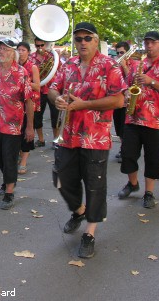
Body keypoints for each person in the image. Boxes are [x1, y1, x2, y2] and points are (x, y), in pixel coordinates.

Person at [48, 22, 126, 259]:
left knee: (94, 186)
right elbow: (51, 89)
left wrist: (85, 105)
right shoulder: (68, 64)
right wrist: (57, 98)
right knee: (60, 178)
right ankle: (79, 210)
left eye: (87, 38)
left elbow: (119, 100)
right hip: (68, 135)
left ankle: (90, 234)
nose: (82, 42)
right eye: (78, 38)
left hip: (95, 138)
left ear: (96, 40)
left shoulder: (109, 65)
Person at [118, 31, 159, 209]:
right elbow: (127, 85)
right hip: (133, 117)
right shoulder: (137, 64)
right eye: (147, 42)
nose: (149, 45)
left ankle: (149, 193)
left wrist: (151, 81)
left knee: (153, 158)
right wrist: (127, 93)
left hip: (155, 119)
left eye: (153, 42)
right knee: (127, 154)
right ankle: (132, 184)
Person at [0, 39, 34, 210]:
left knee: (9, 158)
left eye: (4, 49)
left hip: (13, 125)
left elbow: (29, 101)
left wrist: (30, 127)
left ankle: (9, 192)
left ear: (12, 53)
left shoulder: (21, 72)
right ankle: (7, 179)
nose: (0, 52)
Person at [29, 38, 60, 149]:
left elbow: (59, 71)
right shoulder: (31, 58)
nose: (40, 48)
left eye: (42, 45)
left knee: (55, 115)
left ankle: (56, 139)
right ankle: (41, 139)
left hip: (52, 89)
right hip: (39, 90)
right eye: (38, 46)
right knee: (37, 115)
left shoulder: (53, 56)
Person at [16, 41, 40, 174]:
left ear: (28, 52)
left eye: (23, 50)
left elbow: (37, 86)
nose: (20, 52)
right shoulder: (14, 66)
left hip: (30, 102)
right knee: (18, 132)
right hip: (16, 104)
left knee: (27, 131)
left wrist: (25, 83)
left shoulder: (33, 67)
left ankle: (24, 161)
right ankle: (20, 154)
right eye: (18, 50)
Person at [112, 41, 132, 162]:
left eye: (122, 53)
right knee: (119, 127)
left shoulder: (134, 63)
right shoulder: (114, 64)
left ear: (127, 53)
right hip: (116, 100)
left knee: (126, 128)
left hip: (128, 101)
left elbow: (132, 78)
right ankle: (122, 147)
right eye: (118, 53)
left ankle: (125, 150)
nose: (120, 55)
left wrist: (124, 66)